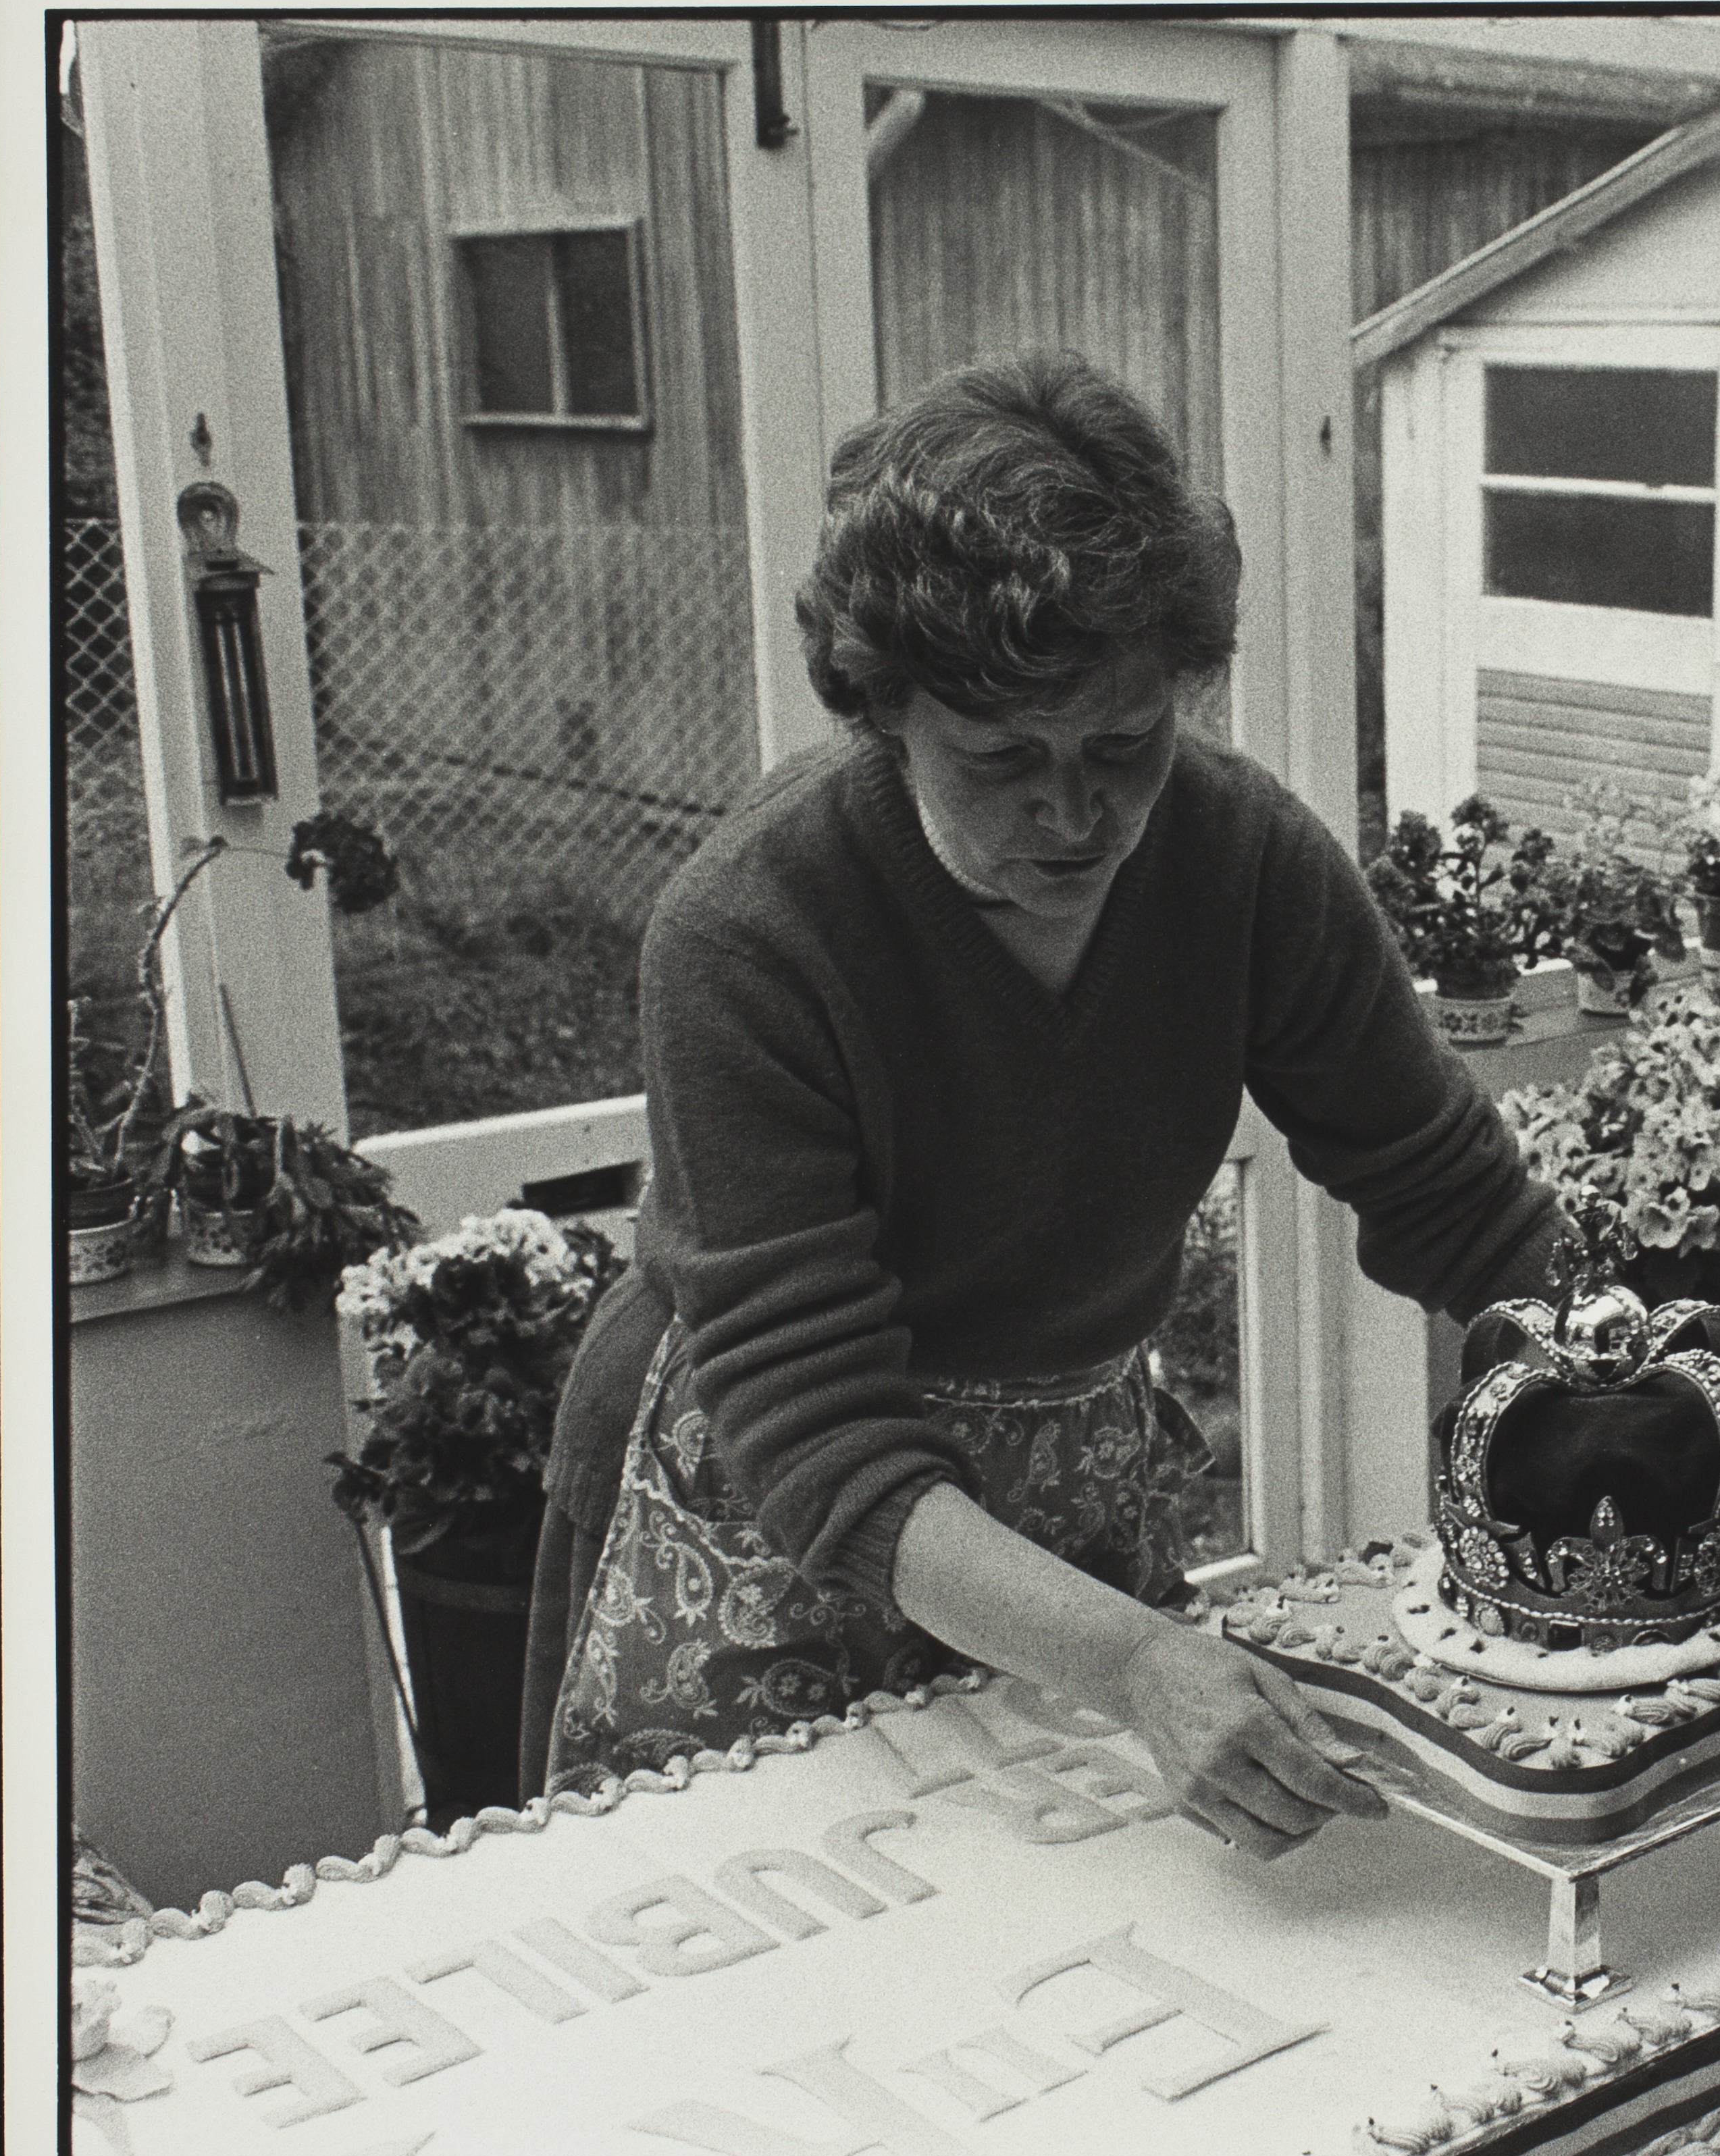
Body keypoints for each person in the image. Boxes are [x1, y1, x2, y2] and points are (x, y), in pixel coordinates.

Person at [515, 351, 1576, 1856]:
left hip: (1072, 1477)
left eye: (1123, 745)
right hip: (771, 1511)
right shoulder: (749, 933)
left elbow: (1453, 1195)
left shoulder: (1245, 862)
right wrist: (1138, 1658)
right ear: (886, 709)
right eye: (1001, 758)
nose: (1074, 813)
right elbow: (826, 1441)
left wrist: (1637, 1377)